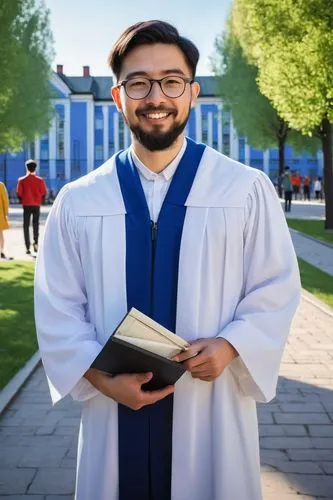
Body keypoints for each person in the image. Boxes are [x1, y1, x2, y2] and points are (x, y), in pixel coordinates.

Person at [34, 20, 301, 500]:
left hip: (212, 411)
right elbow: (58, 305)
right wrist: (100, 378)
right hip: (111, 411)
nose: (155, 95)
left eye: (171, 81)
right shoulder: (79, 200)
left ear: (192, 93)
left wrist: (232, 345)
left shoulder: (242, 189)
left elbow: (275, 285)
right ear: (118, 97)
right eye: (138, 82)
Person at [16, 159, 47, 254]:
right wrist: (40, 200)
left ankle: (27, 247)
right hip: (36, 204)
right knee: (35, 224)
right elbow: (44, 192)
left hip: (26, 204)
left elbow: (19, 193)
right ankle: (36, 243)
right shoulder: (40, 180)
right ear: (35, 168)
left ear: (27, 168)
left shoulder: (22, 180)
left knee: (26, 225)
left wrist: (22, 201)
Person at [0, 181, 13, 260]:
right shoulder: (1, 185)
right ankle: (1, 251)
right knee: (0, 233)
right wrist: (6, 213)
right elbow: (5, 200)